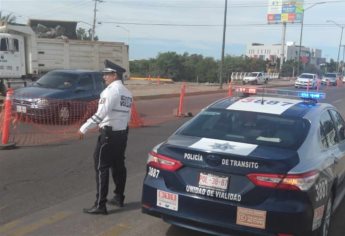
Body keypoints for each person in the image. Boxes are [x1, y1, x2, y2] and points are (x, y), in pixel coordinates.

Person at [78, 66, 133, 215]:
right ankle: (118, 197)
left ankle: (100, 204)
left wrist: (84, 127)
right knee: (119, 166)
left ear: (114, 75)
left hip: (108, 135)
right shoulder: (128, 93)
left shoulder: (109, 91)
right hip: (121, 134)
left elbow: (100, 114)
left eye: (106, 74)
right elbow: (127, 116)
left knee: (101, 168)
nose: (104, 77)